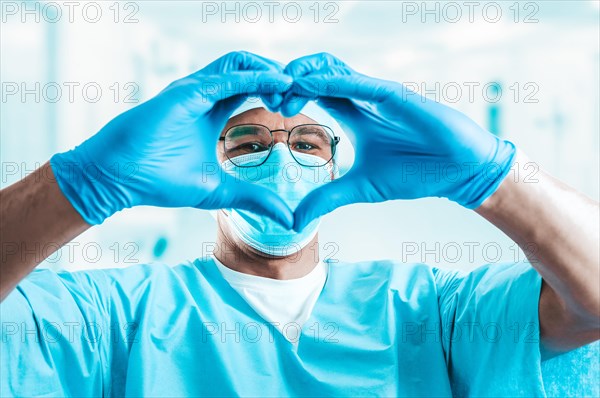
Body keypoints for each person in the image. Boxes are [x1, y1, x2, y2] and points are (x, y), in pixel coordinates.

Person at [1, 51, 598, 397]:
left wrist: (493, 177)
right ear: (205, 167)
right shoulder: (113, 315)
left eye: (308, 143)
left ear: (338, 166)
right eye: (248, 142)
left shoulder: (430, 309)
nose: (281, 158)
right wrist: (82, 183)